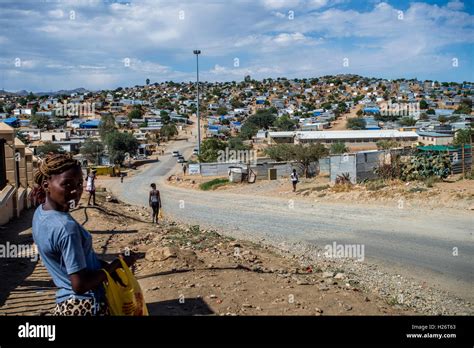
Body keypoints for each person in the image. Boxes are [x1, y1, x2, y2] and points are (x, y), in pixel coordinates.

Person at [31, 153, 137, 316]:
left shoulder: (41, 213)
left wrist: (106, 266)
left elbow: (72, 262)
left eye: (80, 183)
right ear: (46, 185)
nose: (76, 191)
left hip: (66, 304)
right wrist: (116, 264)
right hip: (87, 306)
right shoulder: (66, 228)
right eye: (67, 184)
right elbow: (80, 285)